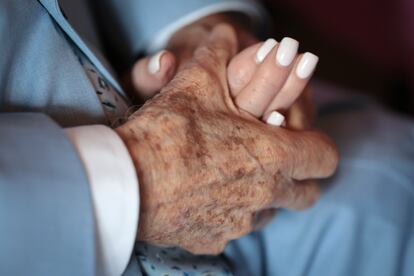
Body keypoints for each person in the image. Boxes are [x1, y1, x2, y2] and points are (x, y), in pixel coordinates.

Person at [0, 2, 412, 276]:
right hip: (47, 232)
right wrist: (139, 176)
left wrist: (197, 32)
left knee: (385, 177)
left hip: (129, 71)